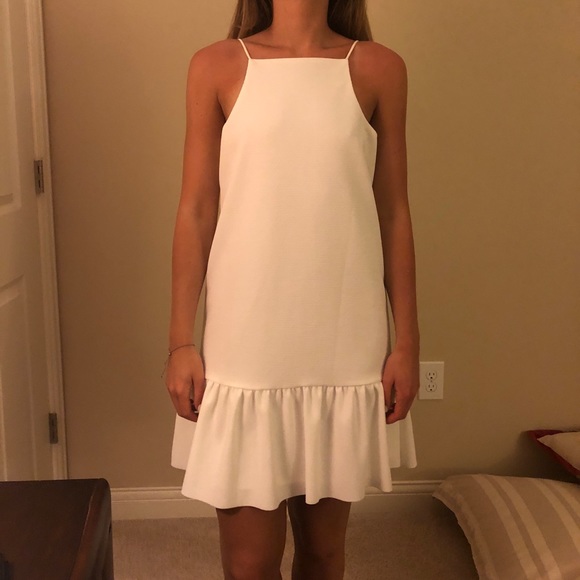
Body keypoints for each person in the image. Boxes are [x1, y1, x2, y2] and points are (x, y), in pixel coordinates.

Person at [164, 0, 420, 578]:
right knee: (249, 563)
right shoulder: (216, 65)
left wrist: (407, 341)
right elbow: (196, 209)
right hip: (246, 338)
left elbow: (394, 213)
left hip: (342, 336)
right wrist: (181, 340)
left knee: (323, 555)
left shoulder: (379, 68)